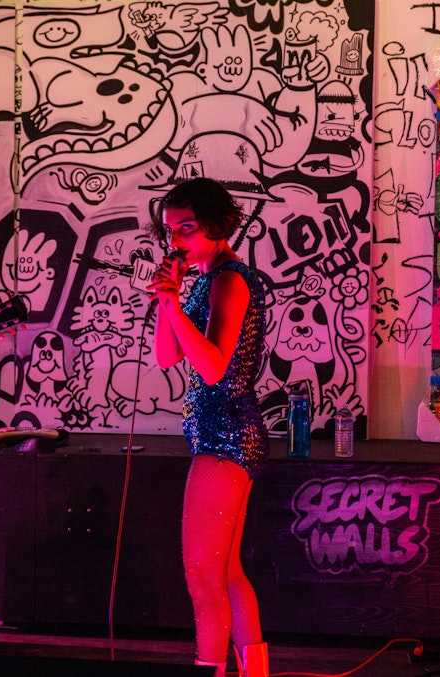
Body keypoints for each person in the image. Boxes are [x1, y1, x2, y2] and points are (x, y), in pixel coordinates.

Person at [146, 177, 269, 677]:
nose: (176, 240)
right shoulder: (204, 280)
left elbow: (215, 367)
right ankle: (255, 671)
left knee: (201, 574)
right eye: (170, 230)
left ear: (216, 226)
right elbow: (166, 356)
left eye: (187, 228)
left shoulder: (229, 280)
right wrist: (167, 302)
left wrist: (176, 307)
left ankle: (210, 669)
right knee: (226, 571)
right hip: (216, 434)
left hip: (226, 434)